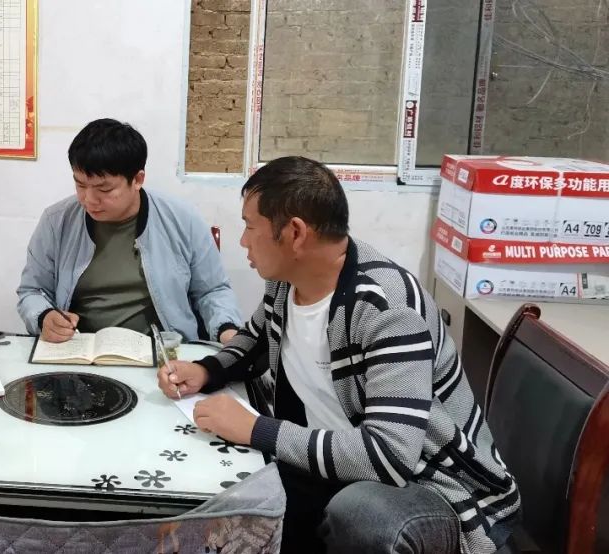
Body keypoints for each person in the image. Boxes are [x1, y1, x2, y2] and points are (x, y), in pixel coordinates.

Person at [158, 156, 519, 553]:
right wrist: (206, 370)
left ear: (295, 233)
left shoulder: (388, 309)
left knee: (360, 514)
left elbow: (389, 456)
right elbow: (255, 341)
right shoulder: (287, 282)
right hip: (334, 464)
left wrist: (256, 429)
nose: (243, 241)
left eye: (250, 226)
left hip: (431, 484)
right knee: (220, 503)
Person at [17, 118, 242, 344]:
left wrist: (227, 330)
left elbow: (212, 291)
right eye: (80, 185)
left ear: (137, 179)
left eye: (104, 189)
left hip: (162, 349)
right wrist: (44, 317)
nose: (89, 199)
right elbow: (32, 291)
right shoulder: (56, 222)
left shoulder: (183, 219)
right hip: (81, 349)